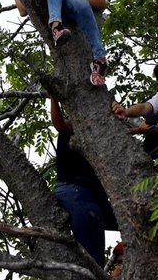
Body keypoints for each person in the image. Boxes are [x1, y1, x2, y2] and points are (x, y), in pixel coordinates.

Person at [50, 98, 117, 267]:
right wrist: (53, 97)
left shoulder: (103, 133)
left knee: (136, 222)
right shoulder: (74, 125)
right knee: (93, 260)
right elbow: (60, 125)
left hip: (95, 196)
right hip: (75, 192)